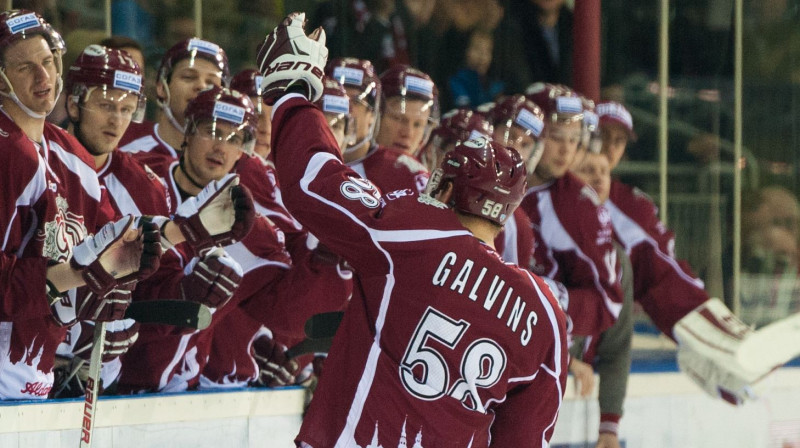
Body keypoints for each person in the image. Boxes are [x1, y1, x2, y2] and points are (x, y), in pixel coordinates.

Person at [257, 13, 568, 447]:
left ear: (441, 186)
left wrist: (295, 93)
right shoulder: (545, 314)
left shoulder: (408, 236)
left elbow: (313, 178)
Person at [0, 10, 161, 400]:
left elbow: (102, 251)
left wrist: (109, 289)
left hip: (32, 379)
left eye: (49, 62)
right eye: (25, 68)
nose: (44, 77)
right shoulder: (6, 151)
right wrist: (73, 280)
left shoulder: (71, 155)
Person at [597, 100, 797, 405]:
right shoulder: (545, 196)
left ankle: (720, 343)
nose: (609, 148)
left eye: (619, 140)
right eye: (601, 136)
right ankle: (721, 342)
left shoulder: (629, 204)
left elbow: (663, 271)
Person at [521, 83, 624, 338]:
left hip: (540, 343)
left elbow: (606, 301)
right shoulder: (490, 179)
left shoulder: (578, 205)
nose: (566, 150)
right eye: (556, 137)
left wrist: (539, 304)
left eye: (574, 139)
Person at [118, 37, 229, 176]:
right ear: (162, 88)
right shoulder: (128, 157)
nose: (201, 86)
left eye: (211, 82)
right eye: (188, 77)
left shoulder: (232, 166)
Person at [325, 58, 430, 194]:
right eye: (336, 98)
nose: (345, 108)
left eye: (355, 101)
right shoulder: (297, 158)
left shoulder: (409, 173)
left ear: (373, 115)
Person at [374, 64, 439, 157]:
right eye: (399, 119)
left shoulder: (421, 171)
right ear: (374, 117)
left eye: (417, 124)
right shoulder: (348, 169)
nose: (408, 133)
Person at [448, 29, 504, 109]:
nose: (482, 57)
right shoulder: (457, 81)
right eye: (477, 49)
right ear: (466, 51)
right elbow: (464, 112)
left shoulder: (494, 81)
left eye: (487, 51)